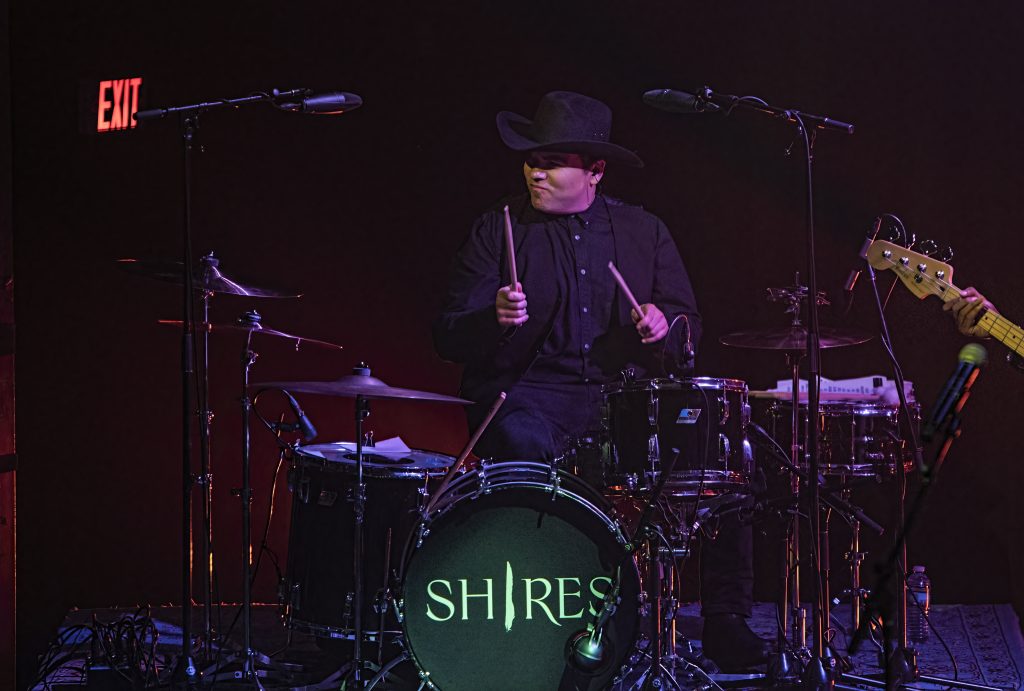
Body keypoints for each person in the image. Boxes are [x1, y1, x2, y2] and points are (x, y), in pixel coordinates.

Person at [432, 91, 769, 671]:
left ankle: (726, 620)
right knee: (521, 440)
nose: (534, 172)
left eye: (551, 162)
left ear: (595, 171)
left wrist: (664, 327)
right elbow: (447, 335)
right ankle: (543, 615)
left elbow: (688, 329)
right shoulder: (498, 227)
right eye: (531, 161)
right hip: (529, 398)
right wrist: (493, 318)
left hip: (622, 401)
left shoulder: (644, 231)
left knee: (729, 452)